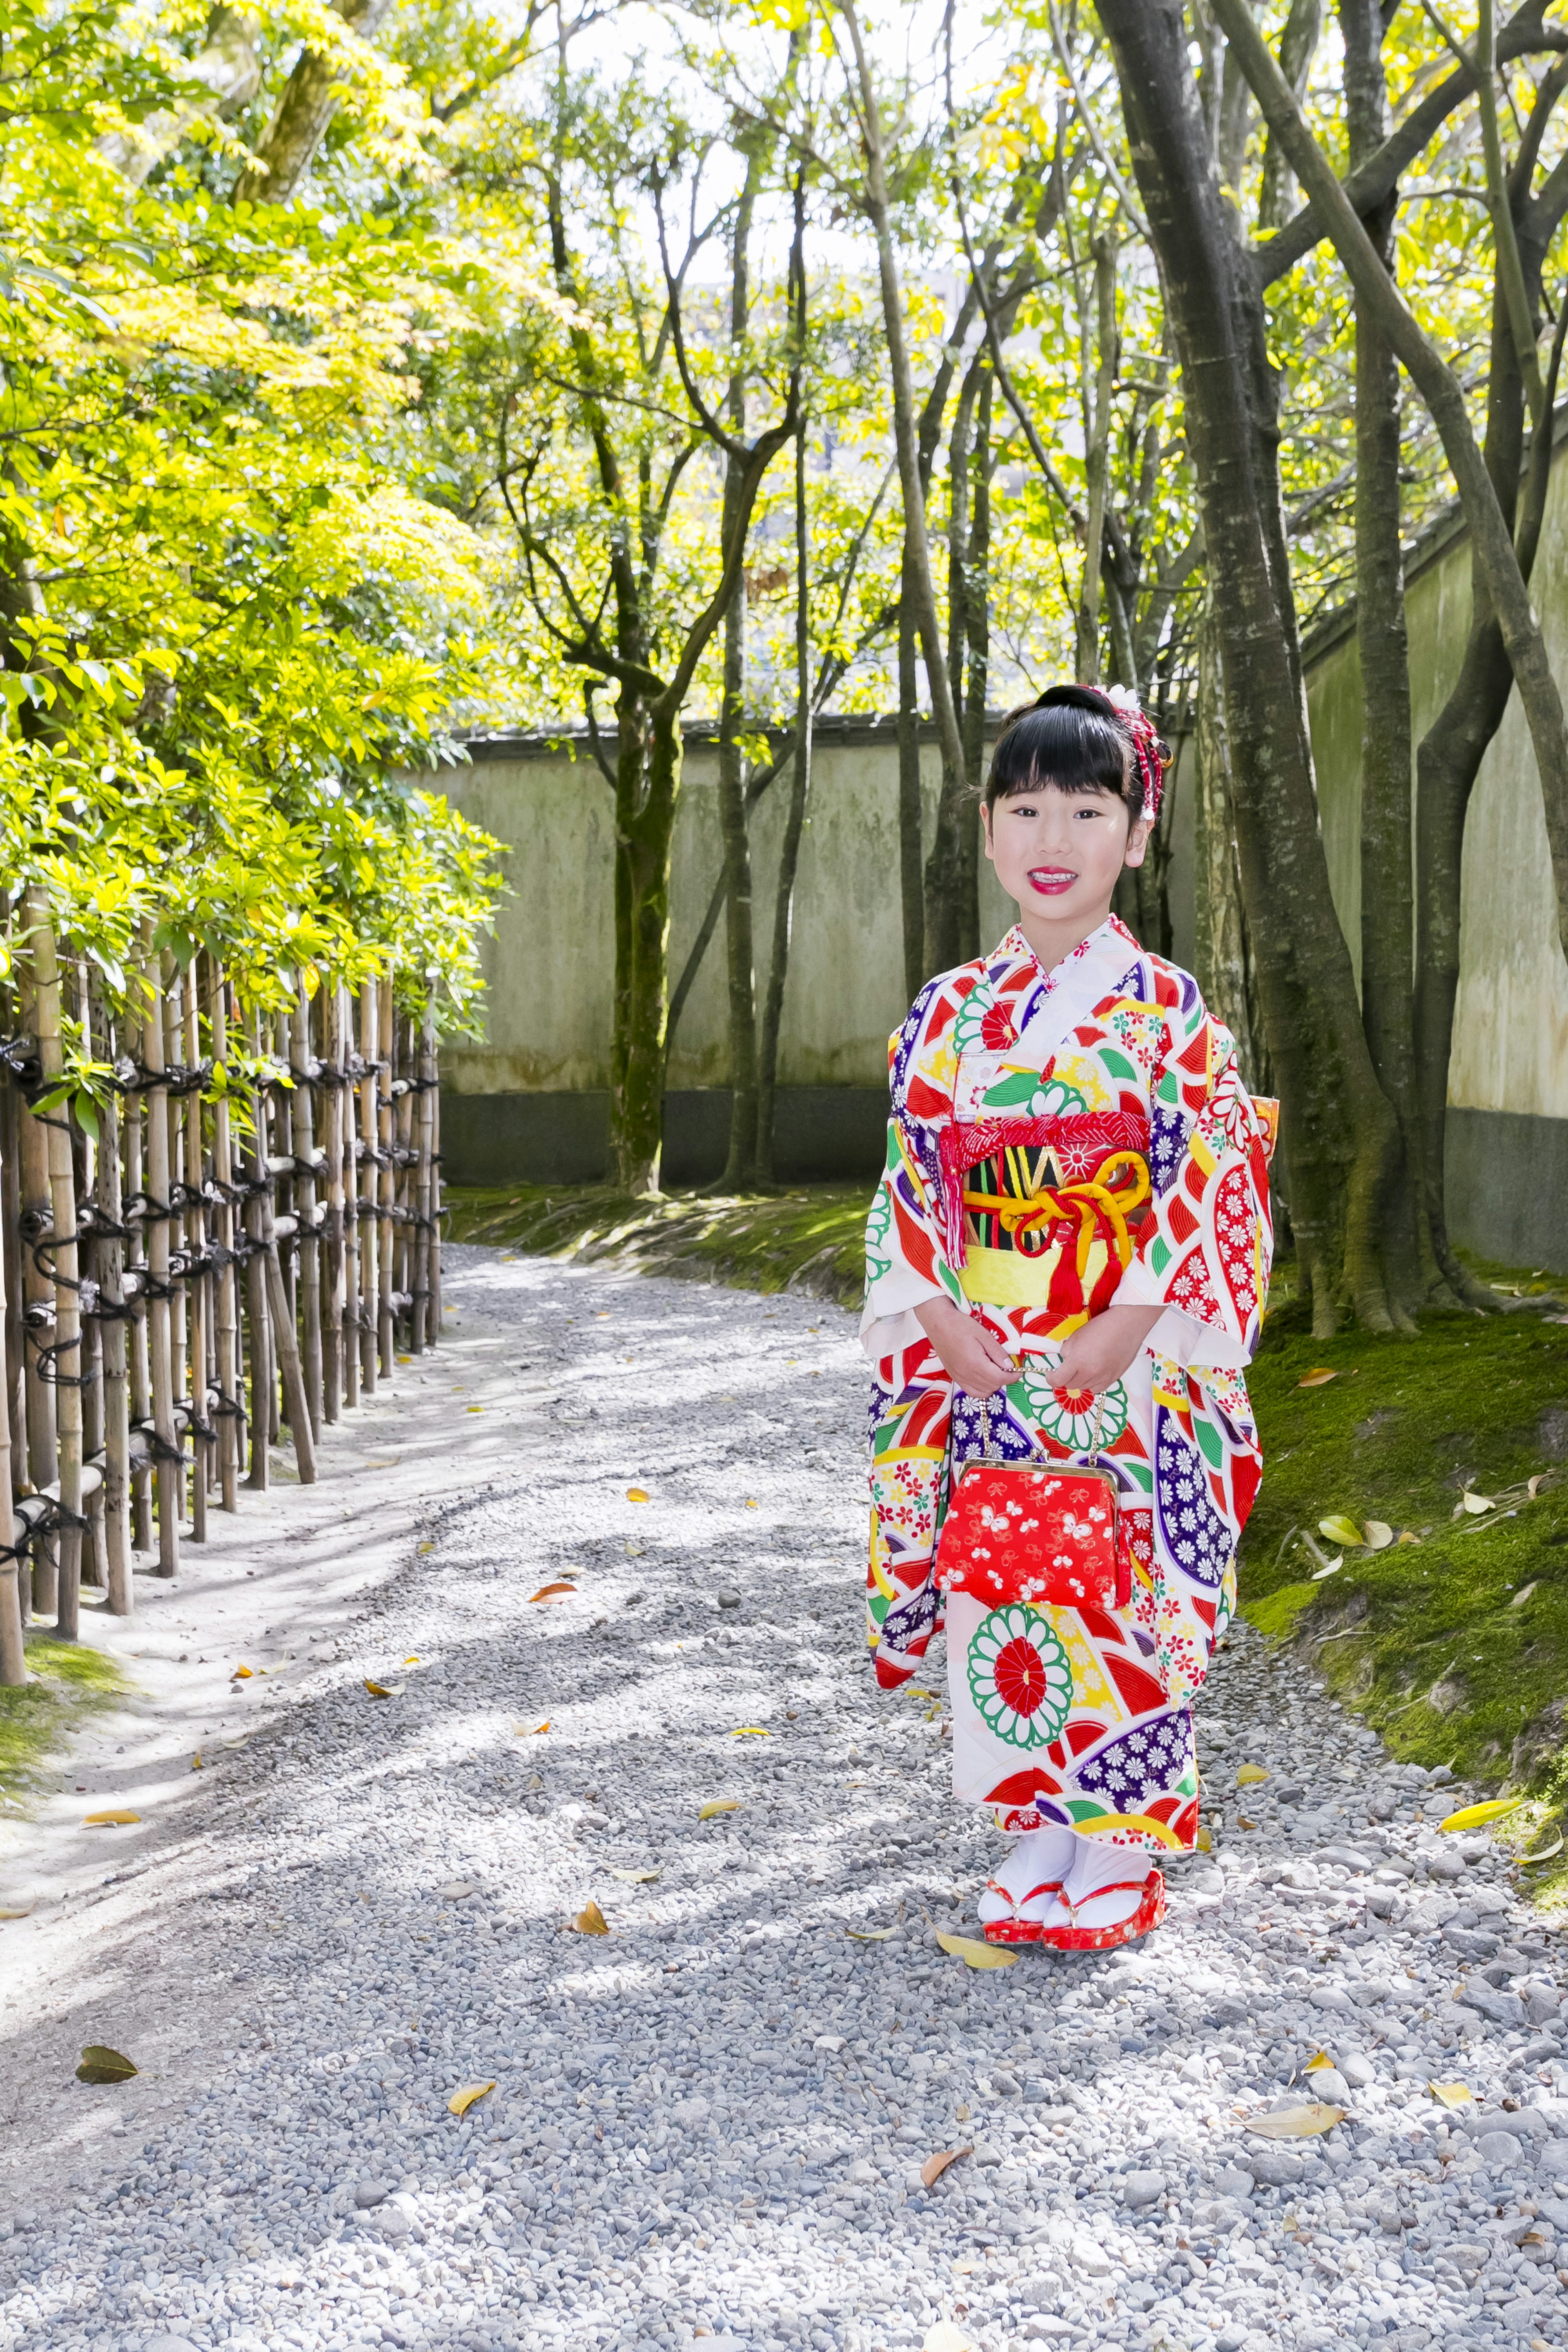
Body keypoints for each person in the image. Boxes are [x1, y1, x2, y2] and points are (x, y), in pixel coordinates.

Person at [861, 683, 1274, 1951]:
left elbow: (1212, 1164)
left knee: (1122, 1578)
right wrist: (932, 1309)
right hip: (987, 1353)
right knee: (1011, 1585)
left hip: (1128, 1356)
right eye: (1025, 806)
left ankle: (1121, 1843)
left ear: (1138, 834)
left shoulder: (1168, 1014)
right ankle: (1036, 1826)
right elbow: (909, 1171)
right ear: (988, 829)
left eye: (1088, 808)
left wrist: (1133, 1316)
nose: (1054, 835)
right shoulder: (943, 1014)